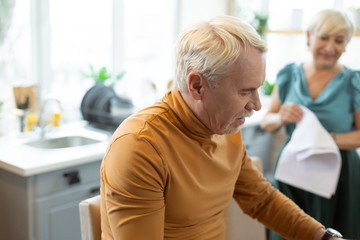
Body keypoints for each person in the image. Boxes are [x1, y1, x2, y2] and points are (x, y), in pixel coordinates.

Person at [100, 15, 342, 240]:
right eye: (245, 91)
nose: (257, 105)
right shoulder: (140, 146)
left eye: (258, 89)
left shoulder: (224, 128)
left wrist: (324, 237)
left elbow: (262, 200)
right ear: (197, 86)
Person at [261, 9, 360, 240]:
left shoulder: (353, 81)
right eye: (324, 37)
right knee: (287, 230)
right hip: (293, 170)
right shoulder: (289, 75)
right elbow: (268, 122)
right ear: (308, 36)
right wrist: (281, 116)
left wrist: (326, 140)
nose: (330, 47)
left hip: (339, 172)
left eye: (339, 40)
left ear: (346, 44)